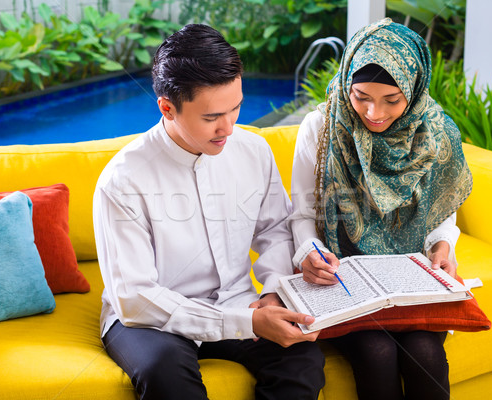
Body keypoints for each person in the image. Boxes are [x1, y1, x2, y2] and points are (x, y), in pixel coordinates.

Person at [93, 24, 325, 400]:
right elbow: (135, 298)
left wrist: (272, 293)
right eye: (212, 117)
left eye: (236, 107)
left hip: (239, 301)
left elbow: (276, 229)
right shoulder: (121, 181)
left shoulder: (253, 150)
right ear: (167, 108)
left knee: (302, 358)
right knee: (163, 371)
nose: (229, 127)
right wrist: (246, 321)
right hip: (151, 320)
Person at [289, 18, 473, 400]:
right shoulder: (320, 126)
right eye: (361, 97)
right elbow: (304, 214)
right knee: (376, 350)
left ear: (415, 88)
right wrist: (310, 251)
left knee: (425, 352)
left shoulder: (434, 130)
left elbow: (440, 210)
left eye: (392, 100)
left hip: (411, 280)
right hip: (343, 278)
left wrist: (444, 246)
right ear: (346, 85)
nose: (374, 113)